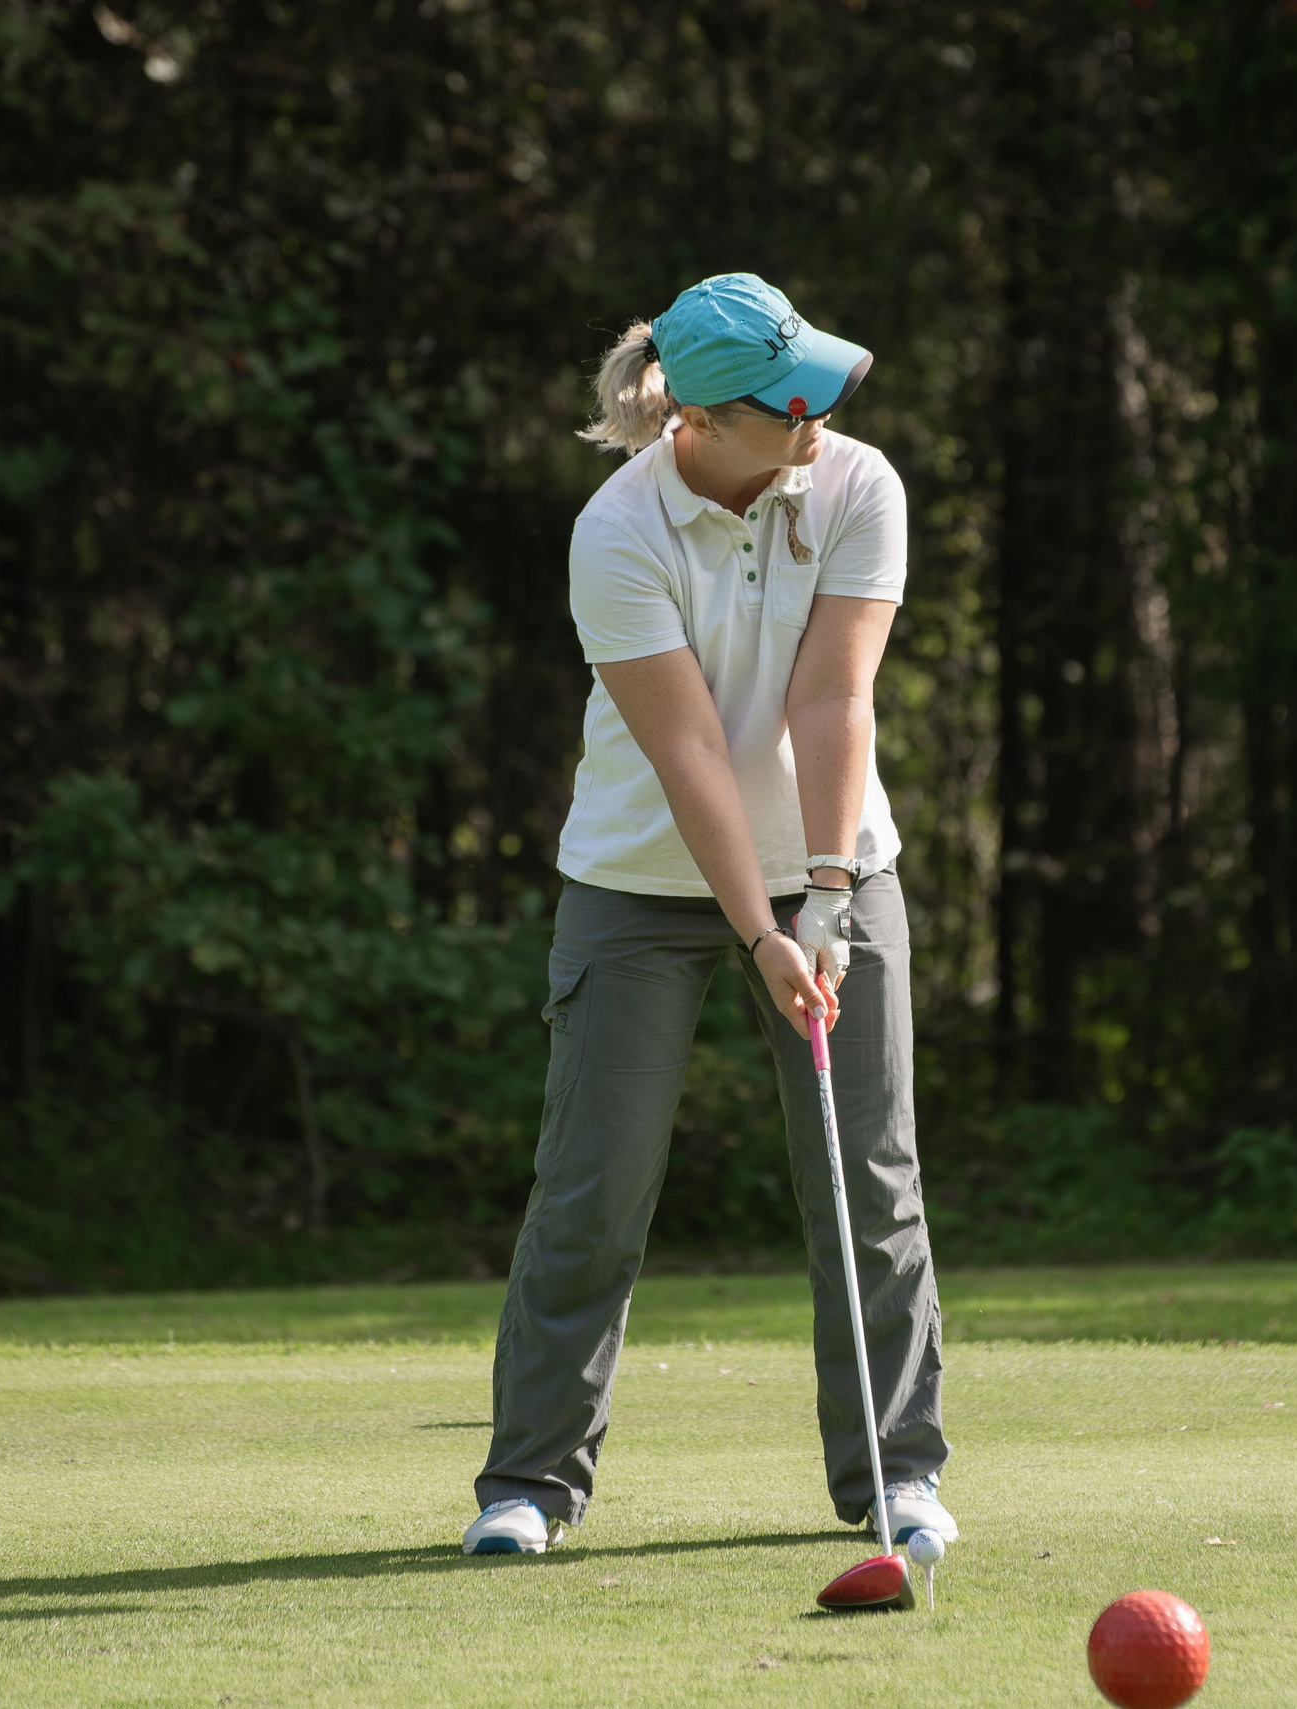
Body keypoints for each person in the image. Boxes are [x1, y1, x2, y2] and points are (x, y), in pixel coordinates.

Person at [464, 274, 954, 1556]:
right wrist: (760, 928)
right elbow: (688, 757)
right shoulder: (616, 530)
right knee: (593, 1187)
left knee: (867, 1178)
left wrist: (828, 893)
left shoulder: (856, 484)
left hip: (835, 866)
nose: (818, 417)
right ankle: (528, 1484)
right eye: (789, 401)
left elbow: (832, 701)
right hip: (636, 883)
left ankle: (896, 1476)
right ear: (700, 417)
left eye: (819, 387)